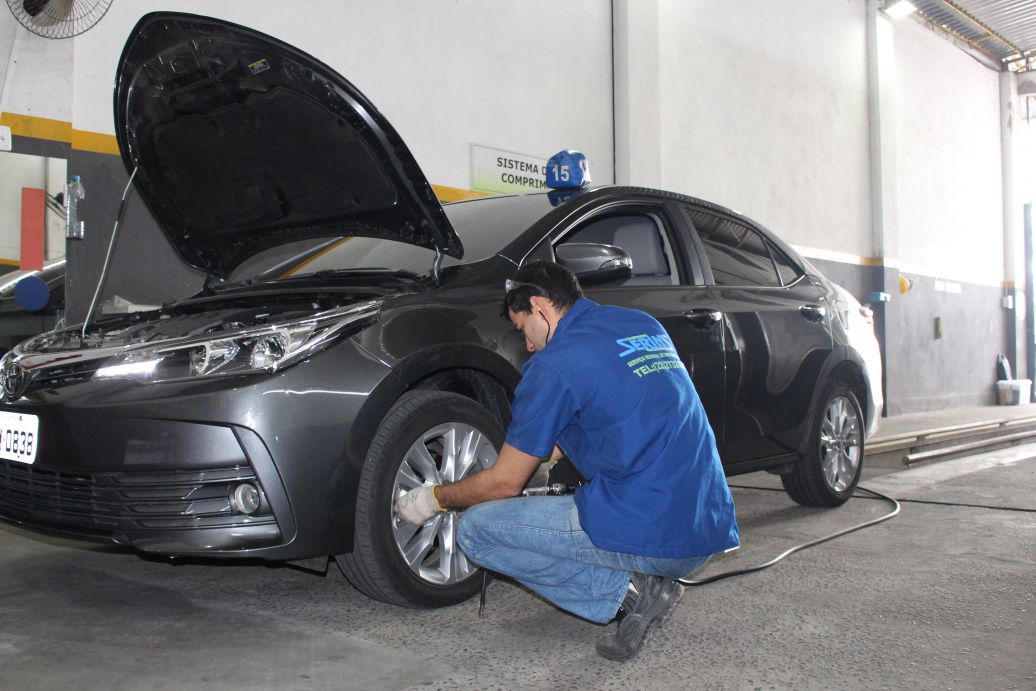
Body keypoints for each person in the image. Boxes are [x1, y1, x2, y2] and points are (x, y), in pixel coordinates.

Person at [395, 260, 739, 661]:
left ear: (540, 306)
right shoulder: (640, 324)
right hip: (706, 523)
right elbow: (617, 409)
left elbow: (505, 484)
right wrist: (544, 451)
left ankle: (632, 594)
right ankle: (644, 579)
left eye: (523, 328)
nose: (527, 345)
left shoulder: (552, 366)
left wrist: (434, 498)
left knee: (476, 531)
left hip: (656, 533)